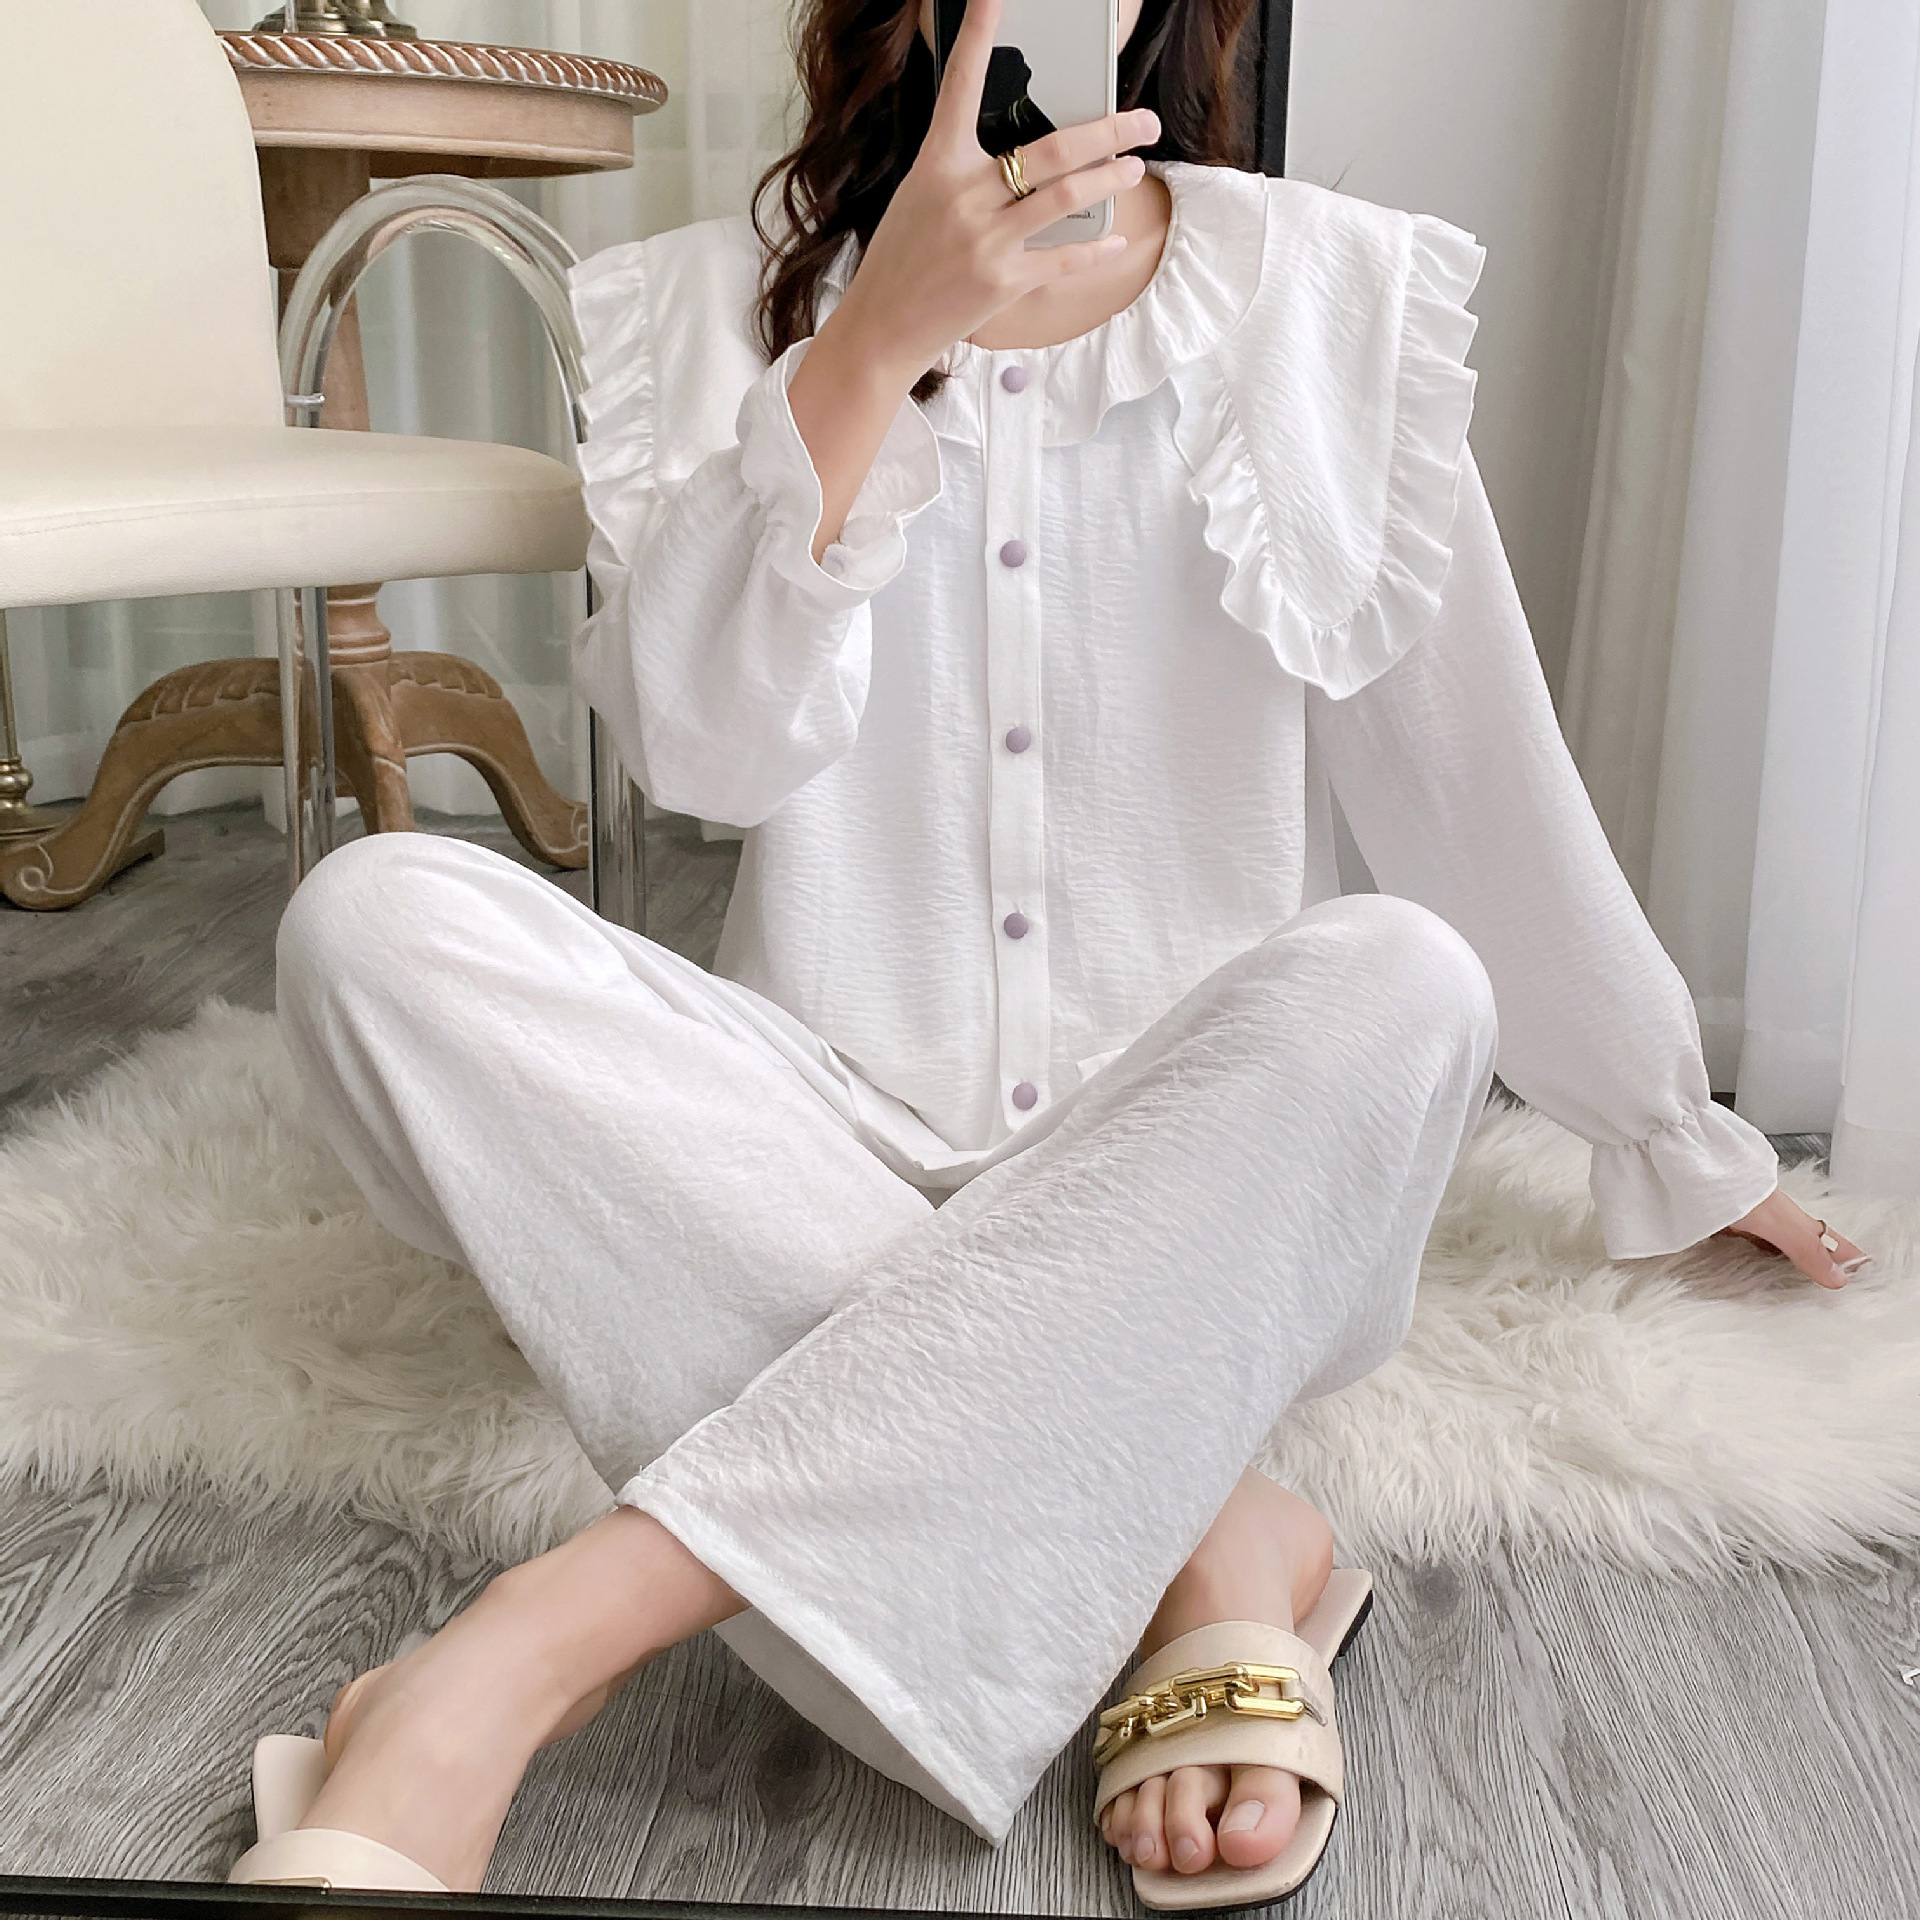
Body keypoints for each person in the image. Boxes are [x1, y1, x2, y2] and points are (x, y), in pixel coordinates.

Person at [248, 0, 1869, 1905]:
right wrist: (870, 348)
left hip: (1208, 1186)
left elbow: (1473, 776)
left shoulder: (1321, 302)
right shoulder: (700, 313)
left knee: (1405, 977)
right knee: (372, 922)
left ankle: (528, 1648)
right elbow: (703, 756)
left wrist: (1670, 1129)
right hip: (816, 1136)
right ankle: (1205, 1529)